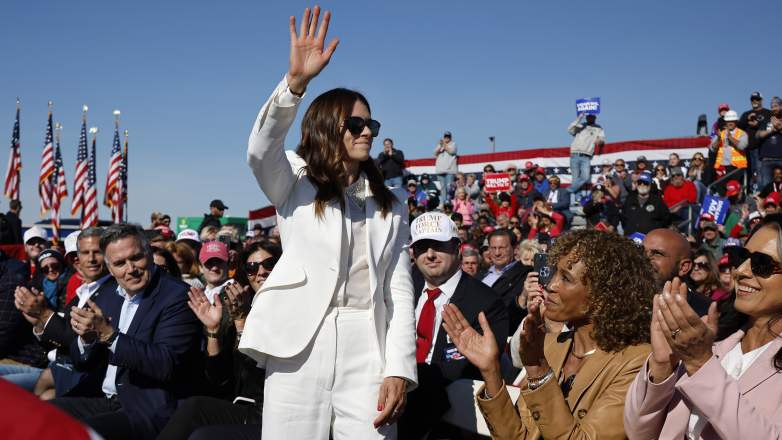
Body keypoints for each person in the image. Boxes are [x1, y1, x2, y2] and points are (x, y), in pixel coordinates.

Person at [239, 7, 415, 438]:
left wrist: (398, 368)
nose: (367, 132)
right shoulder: (294, 180)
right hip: (300, 343)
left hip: (367, 345)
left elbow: (398, 288)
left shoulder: (391, 203)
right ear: (324, 127)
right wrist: (295, 85)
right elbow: (261, 150)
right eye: (355, 123)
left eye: (370, 123)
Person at [444, 229, 654, 439]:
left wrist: (539, 372)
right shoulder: (552, 346)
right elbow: (517, 436)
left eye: (566, 278)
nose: (551, 285)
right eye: (555, 273)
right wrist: (490, 370)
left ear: (602, 295)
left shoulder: (637, 362)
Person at [624, 214, 782, 439]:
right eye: (742, 257)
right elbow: (637, 432)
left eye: (762, 264)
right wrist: (661, 366)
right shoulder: (710, 338)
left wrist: (700, 364)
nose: (741, 271)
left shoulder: (701, 353)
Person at [50, 224, 202, 440]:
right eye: (120, 263)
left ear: (149, 254)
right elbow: (81, 361)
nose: (131, 269)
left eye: (136, 258)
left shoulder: (177, 296)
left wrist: (110, 336)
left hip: (148, 408)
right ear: (110, 269)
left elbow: (166, 363)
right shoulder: (109, 293)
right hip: (105, 399)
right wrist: (86, 339)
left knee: (75, 435)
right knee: (36, 414)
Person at [398, 212, 508, 439]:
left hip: (445, 418)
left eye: (438, 245)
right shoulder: (404, 286)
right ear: (413, 253)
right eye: (422, 247)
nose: (429, 255)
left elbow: (469, 372)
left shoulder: (487, 303)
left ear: (457, 248)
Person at [157, 240, 281, 440]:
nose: (261, 272)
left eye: (268, 264)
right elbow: (219, 378)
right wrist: (213, 330)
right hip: (245, 404)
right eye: (251, 267)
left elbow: (256, 375)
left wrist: (241, 323)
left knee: (203, 436)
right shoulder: (242, 305)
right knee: (193, 406)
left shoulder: (289, 307)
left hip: (274, 411)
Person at [17, 228, 115, 399]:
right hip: (61, 366)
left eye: (97, 252)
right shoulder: (83, 291)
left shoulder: (113, 290)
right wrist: (39, 322)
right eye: (83, 253)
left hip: (87, 377)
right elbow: (61, 338)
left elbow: (78, 341)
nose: (90, 259)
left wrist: (44, 314)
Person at [643, 228, 712, 317]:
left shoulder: (704, 310)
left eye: (657, 253)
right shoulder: (625, 299)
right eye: (642, 251)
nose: (644, 258)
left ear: (683, 267)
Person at [481, 228, 530, 334]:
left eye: (502, 248)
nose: (497, 253)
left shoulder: (525, 275)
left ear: (515, 249)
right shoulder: (480, 275)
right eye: (493, 248)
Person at [567, 113, 605, 204]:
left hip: (586, 156)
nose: (590, 117)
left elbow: (602, 139)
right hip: (575, 154)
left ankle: (567, 191)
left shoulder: (598, 128)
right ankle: (577, 201)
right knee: (576, 180)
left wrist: (599, 141)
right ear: (586, 117)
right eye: (588, 116)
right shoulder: (580, 125)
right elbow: (569, 130)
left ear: (595, 117)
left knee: (585, 177)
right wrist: (579, 118)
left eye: (592, 116)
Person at [710, 109, 748, 183]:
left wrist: (730, 137)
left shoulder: (742, 133)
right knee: (722, 190)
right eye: (728, 121)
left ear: (736, 121)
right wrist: (718, 138)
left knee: (736, 189)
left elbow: (742, 146)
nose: (730, 123)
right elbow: (713, 149)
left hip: (737, 168)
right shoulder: (720, 133)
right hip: (722, 167)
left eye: (732, 121)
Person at [756, 107, 782, 188]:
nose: (774, 108)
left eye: (776, 106)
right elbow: (758, 135)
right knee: (766, 185)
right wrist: (772, 130)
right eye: (772, 106)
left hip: (781, 159)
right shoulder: (766, 121)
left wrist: (779, 127)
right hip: (767, 160)